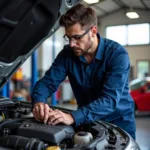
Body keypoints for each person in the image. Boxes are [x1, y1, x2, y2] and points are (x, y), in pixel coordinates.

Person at [32, 4, 136, 139]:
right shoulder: (67, 54)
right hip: (87, 122)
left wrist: (72, 117)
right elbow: (47, 83)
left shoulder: (117, 55)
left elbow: (109, 100)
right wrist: (39, 102)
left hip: (119, 124)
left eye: (77, 37)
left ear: (93, 31)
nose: (71, 44)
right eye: (68, 38)